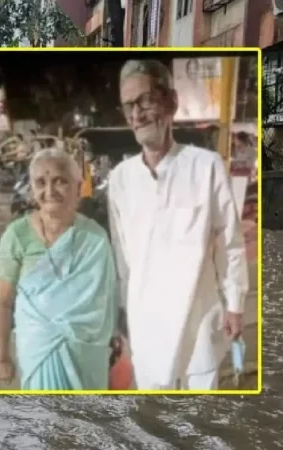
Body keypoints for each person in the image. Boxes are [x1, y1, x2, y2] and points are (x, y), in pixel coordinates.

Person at [109, 59, 249, 390]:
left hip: (198, 328)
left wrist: (235, 305)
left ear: (171, 102)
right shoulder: (121, 179)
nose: (138, 115)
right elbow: (122, 260)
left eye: (145, 100)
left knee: (197, 424)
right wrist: (121, 321)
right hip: (146, 331)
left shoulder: (206, 167)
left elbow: (229, 243)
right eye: (130, 106)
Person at [0, 147, 118, 390]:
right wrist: (0, 358)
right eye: (41, 182)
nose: (49, 191)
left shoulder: (95, 238)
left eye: (60, 181)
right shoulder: (16, 235)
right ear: (31, 188)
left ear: (78, 187)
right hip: (37, 348)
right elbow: (2, 302)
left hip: (86, 353)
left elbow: (106, 301)